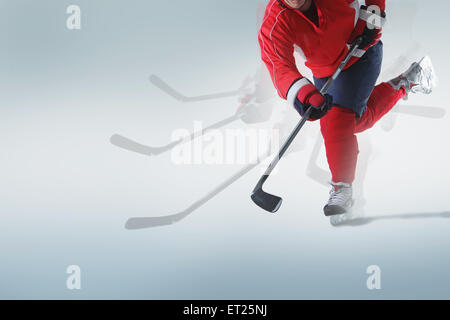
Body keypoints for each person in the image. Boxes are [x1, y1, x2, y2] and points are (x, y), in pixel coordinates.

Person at [258, 0, 436, 216]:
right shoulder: (275, 23)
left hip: (360, 52)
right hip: (324, 72)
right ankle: (407, 81)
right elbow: (279, 66)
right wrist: (304, 95)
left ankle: (341, 188)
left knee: (337, 121)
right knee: (355, 122)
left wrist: (371, 19)